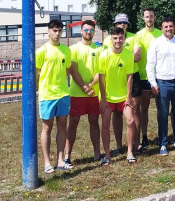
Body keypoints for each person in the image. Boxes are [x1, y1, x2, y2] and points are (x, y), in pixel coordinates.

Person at [35, 19, 88, 173]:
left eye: (60, 31)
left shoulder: (66, 51)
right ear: (48, 31)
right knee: (47, 128)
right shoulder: (41, 51)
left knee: (62, 126)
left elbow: (66, 72)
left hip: (63, 95)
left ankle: (59, 160)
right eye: (54, 30)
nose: (57, 34)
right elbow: (36, 74)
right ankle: (46, 162)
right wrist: (40, 90)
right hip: (47, 96)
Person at [146, 15, 175, 154]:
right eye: (166, 27)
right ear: (162, 28)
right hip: (162, 83)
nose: (168, 29)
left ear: (174, 27)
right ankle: (163, 144)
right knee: (163, 115)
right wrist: (153, 84)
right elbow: (150, 66)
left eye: (171, 26)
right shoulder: (155, 43)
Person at [97, 26, 138, 164]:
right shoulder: (104, 55)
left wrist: (128, 97)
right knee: (105, 123)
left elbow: (129, 77)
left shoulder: (128, 55)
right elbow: (101, 79)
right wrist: (103, 99)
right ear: (111, 39)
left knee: (131, 121)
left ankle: (130, 152)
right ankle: (107, 155)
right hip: (107, 97)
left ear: (124, 39)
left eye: (120, 38)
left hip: (123, 97)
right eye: (115, 38)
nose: (118, 41)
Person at [64, 19, 102, 165]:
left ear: (94, 31)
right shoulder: (73, 49)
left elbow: (101, 70)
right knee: (73, 122)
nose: (88, 32)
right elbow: (73, 69)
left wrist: (91, 85)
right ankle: (67, 156)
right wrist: (83, 86)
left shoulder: (98, 49)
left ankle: (97, 153)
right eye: (86, 30)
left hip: (94, 93)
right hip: (76, 93)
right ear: (81, 31)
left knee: (94, 121)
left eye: (91, 30)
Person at [132, 8, 162, 152]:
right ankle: (144, 136)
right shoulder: (138, 35)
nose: (149, 19)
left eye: (151, 16)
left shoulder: (160, 34)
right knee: (143, 109)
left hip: (159, 76)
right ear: (143, 19)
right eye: (146, 17)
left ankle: (162, 135)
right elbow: (137, 52)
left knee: (161, 108)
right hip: (144, 77)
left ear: (154, 18)